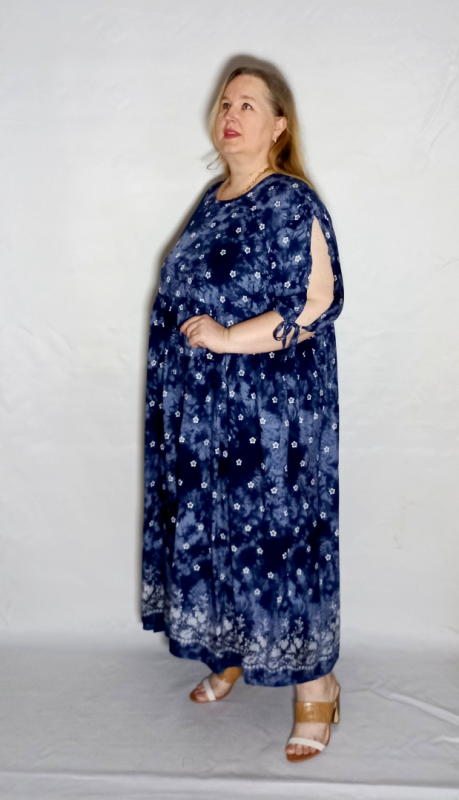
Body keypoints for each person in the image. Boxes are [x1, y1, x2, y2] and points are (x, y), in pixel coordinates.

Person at [141, 64, 344, 763]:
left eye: (249, 105)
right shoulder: (213, 200)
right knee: (215, 532)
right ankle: (229, 648)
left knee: (281, 540)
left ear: (279, 125)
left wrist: (227, 339)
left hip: (270, 415)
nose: (230, 114)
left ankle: (317, 685)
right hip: (205, 413)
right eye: (225, 102)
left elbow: (317, 302)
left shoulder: (288, 199)